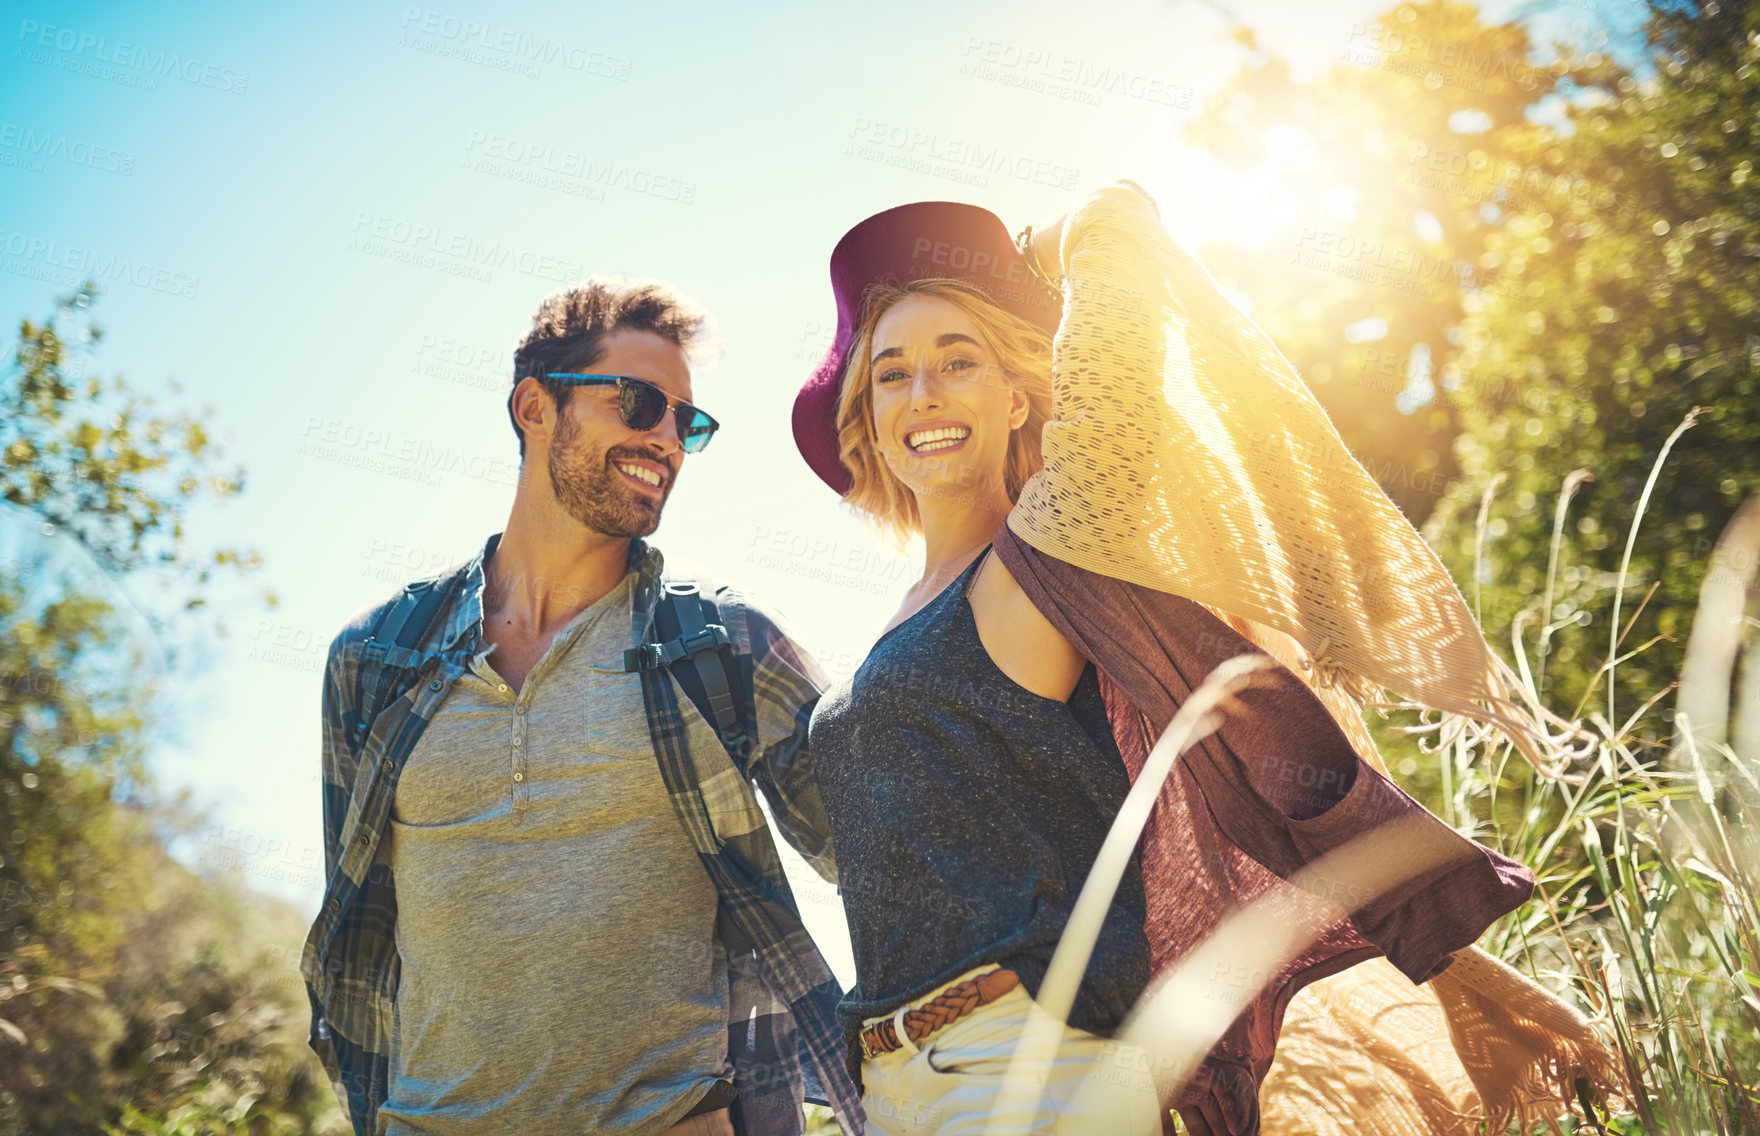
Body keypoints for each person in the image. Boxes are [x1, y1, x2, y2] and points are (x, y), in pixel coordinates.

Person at [791, 184, 1619, 1135]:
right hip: (896, 1085)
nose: (923, 393)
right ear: (867, 409)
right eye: (891, 373)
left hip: (1024, 1071)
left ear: (1019, 394)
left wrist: (1064, 238)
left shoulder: (1034, 564)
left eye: (958, 360)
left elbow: (1117, 390)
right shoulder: (901, 620)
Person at [300, 278, 863, 1136]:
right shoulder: (376, 662)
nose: (667, 439)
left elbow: (888, 853)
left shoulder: (724, 646)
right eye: (640, 403)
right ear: (534, 406)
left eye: (688, 422)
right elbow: (358, 938)